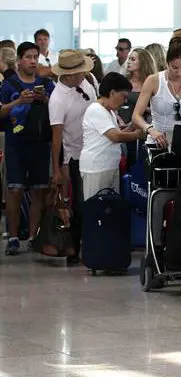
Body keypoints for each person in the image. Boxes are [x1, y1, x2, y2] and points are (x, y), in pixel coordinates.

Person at [0, 42, 56, 256]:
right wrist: (18, 102)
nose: (33, 61)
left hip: (41, 144)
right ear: (19, 60)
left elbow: (58, 112)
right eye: (28, 57)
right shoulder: (8, 85)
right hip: (16, 145)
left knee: (39, 191)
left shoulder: (46, 84)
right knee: (14, 190)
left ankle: (33, 236)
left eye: (36, 57)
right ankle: (13, 237)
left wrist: (46, 99)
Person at [49, 49, 98, 264]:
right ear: (67, 75)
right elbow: (56, 139)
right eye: (79, 73)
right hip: (74, 155)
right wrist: (57, 170)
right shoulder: (58, 99)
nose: (83, 75)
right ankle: (74, 248)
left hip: (94, 149)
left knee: (91, 200)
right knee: (77, 204)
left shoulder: (86, 83)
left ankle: (92, 243)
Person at [80, 73, 145, 199]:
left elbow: (116, 135)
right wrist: (137, 135)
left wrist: (131, 126)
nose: (125, 101)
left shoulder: (108, 111)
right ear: (112, 92)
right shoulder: (96, 110)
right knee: (97, 209)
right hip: (97, 168)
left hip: (108, 166)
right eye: (123, 96)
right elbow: (115, 137)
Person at [132, 41, 181, 149]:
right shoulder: (153, 80)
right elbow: (136, 116)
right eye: (174, 67)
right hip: (157, 142)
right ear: (167, 63)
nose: (179, 72)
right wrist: (150, 130)